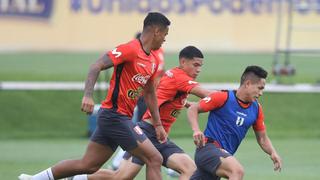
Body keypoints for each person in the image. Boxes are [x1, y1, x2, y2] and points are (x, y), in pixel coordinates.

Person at [18, 12, 171, 180]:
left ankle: (36, 179)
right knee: (154, 158)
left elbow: (149, 93)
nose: (165, 39)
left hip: (117, 118)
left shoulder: (153, 61)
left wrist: (158, 125)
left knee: (88, 165)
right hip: (115, 116)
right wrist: (88, 95)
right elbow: (96, 65)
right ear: (156, 31)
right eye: (165, 34)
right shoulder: (129, 49)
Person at [70, 46, 212, 180]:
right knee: (121, 177)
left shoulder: (174, 74)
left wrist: (184, 103)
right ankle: (77, 178)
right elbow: (208, 95)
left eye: (201, 66)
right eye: (196, 65)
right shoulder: (180, 78)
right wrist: (228, 98)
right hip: (147, 133)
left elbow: (163, 94)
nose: (198, 69)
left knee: (190, 169)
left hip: (160, 137)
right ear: (183, 62)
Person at [188, 65, 282, 180]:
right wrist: (196, 130)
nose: (261, 93)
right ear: (247, 84)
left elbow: (262, 138)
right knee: (237, 171)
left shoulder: (256, 109)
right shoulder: (223, 97)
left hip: (223, 157)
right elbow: (193, 109)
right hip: (208, 149)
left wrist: (272, 152)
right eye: (259, 88)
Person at [111, 31, 166, 170]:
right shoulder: (134, 53)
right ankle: (119, 160)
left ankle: (168, 163)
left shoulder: (158, 54)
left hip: (155, 96)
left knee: (151, 127)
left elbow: (160, 72)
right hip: (143, 97)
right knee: (139, 129)